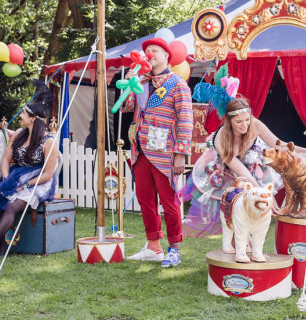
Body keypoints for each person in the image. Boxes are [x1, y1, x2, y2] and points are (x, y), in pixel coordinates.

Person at [0, 80, 59, 263]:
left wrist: (24, 184)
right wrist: (7, 179)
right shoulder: (18, 134)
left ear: (33, 118)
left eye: (23, 113)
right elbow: (5, 160)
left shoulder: (49, 142)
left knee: (11, 206)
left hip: (37, 181)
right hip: (16, 175)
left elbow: (48, 174)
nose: (20, 116)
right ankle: (2, 244)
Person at [121, 36, 193, 267]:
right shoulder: (140, 81)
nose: (149, 54)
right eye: (147, 50)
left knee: (169, 202)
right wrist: (129, 83)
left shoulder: (178, 84)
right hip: (141, 148)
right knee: (145, 200)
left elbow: (185, 120)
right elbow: (126, 108)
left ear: (166, 56)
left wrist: (180, 153)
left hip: (164, 151)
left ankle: (174, 248)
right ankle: (153, 246)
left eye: (154, 50)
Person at [179, 97, 295, 235]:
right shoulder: (221, 139)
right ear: (229, 121)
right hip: (225, 173)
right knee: (234, 212)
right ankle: (237, 245)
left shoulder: (255, 125)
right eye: (239, 121)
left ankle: (247, 245)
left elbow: (279, 144)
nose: (244, 125)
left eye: (247, 119)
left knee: (250, 212)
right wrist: (265, 195)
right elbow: (241, 171)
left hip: (250, 164)